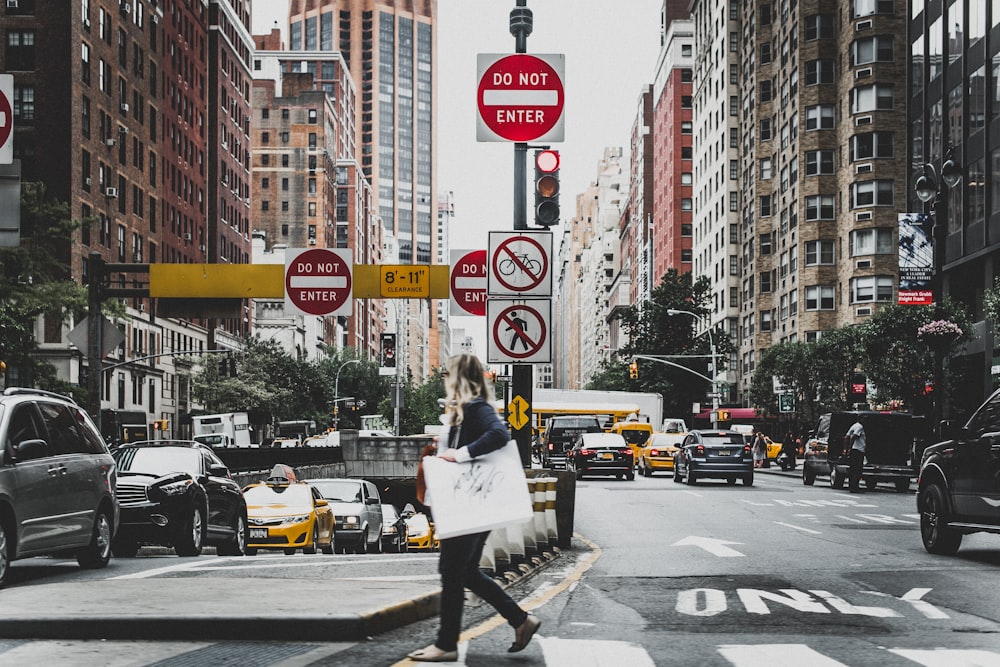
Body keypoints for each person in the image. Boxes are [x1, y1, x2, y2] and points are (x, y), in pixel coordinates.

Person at [408, 353, 541, 662]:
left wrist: (460, 454)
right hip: (472, 504)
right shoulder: (464, 412)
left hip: (470, 505)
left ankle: (446, 644)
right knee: (465, 571)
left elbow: (499, 434)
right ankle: (521, 620)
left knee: (451, 570)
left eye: (447, 375)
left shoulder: (476, 407)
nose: (444, 379)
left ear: (458, 378)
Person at [844, 420, 867, 493]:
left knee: (852, 469)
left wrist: (845, 448)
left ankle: (851, 486)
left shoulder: (854, 425)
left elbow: (846, 437)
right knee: (858, 469)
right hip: (858, 450)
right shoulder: (860, 427)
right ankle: (854, 487)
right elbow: (853, 436)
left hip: (854, 451)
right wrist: (850, 448)